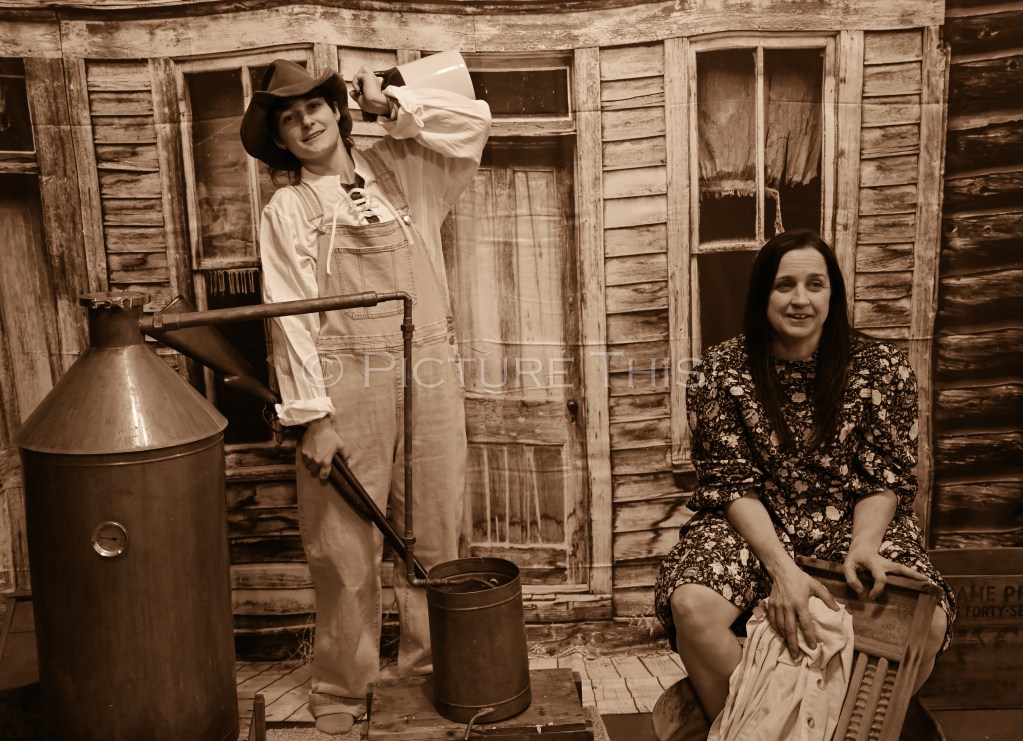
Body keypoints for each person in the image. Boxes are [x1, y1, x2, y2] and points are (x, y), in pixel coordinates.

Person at [240, 58, 491, 735]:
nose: (306, 123)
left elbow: (473, 125)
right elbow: (288, 316)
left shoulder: (406, 170)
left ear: (336, 109)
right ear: (280, 139)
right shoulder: (288, 208)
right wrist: (313, 418)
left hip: (429, 371)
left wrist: (390, 105)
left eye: (314, 107)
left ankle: (427, 674)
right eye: (289, 119)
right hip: (344, 384)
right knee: (344, 547)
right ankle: (343, 687)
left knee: (434, 534)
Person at [653, 229, 955, 724]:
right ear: (762, 295)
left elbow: (884, 475)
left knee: (927, 619)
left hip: (853, 519)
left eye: (815, 284)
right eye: (784, 285)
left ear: (832, 294)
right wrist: (783, 571)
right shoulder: (719, 370)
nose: (800, 299)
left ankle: (844, 730)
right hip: (753, 521)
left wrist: (865, 546)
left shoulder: (882, 368)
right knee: (692, 605)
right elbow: (730, 482)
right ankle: (747, 729)